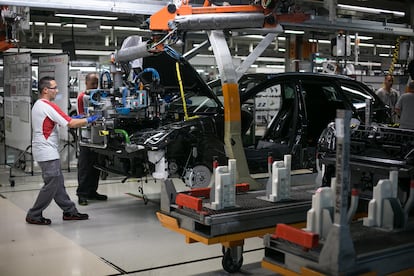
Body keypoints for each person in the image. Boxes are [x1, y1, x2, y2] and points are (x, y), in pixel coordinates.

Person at [26, 76, 100, 225]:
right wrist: (90, 119)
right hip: (47, 152)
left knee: (58, 184)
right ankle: (34, 214)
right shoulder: (48, 105)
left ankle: (69, 211)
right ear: (45, 90)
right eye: (54, 88)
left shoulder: (38, 105)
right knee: (52, 184)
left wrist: (79, 117)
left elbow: (61, 120)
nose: (57, 91)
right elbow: (70, 123)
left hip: (44, 150)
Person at [76, 72, 107, 205]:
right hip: (86, 136)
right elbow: (82, 115)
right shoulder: (82, 97)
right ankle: (82, 194)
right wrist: (91, 118)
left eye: (96, 83)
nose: (95, 86)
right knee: (85, 166)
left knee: (96, 165)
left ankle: (92, 192)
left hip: (98, 136)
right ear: (86, 83)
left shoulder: (99, 96)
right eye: (93, 83)